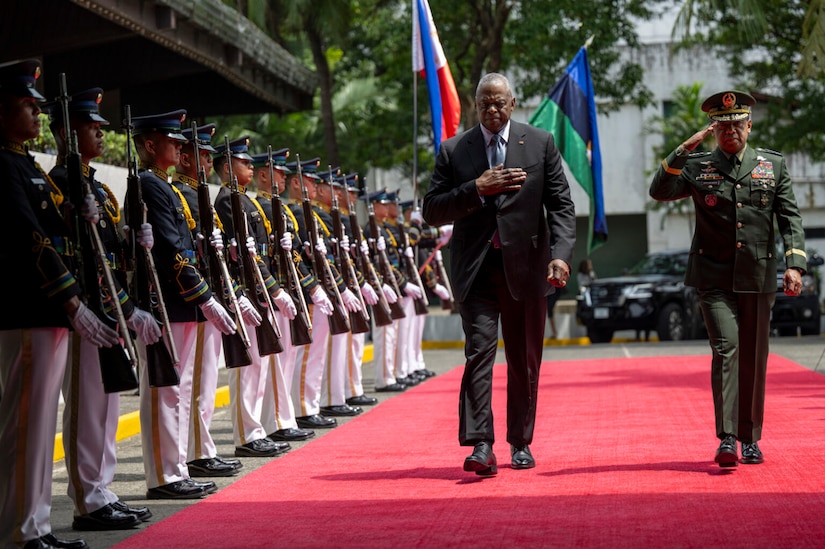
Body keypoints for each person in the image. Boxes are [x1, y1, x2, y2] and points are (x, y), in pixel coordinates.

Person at [423, 72, 575, 475]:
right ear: (476, 107)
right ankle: (481, 445)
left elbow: (561, 204)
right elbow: (432, 208)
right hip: (475, 272)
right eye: (484, 103)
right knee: (479, 355)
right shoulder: (455, 150)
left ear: (512, 104)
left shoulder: (540, 143)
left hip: (527, 271)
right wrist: (476, 188)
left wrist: (560, 256)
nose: (492, 109)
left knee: (525, 360)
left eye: (499, 102)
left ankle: (520, 442)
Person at [649, 90, 807, 468]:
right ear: (713, 129)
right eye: (722, 126)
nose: (730, 132)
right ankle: (728, 438)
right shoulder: (698, 165)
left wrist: (795, 265)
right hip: (713, 277)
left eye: (737, 124)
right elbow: (659, 191)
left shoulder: (773, 166)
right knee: (726, 350)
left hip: (758, 276)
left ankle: (751, 438)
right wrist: (686, 147)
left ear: (749, 126)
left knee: (754, 357)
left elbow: (790, 218)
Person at [0, 59, 118, 549]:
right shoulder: (4, 164)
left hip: (46, 310)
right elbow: (30, 239)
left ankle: (35, 526)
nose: (35, 112)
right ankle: (22, 530)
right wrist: (72, 301)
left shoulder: (25, 163)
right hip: (30, 307)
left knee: (39, 421)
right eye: (27, 105)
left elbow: (55, 233)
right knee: (28, 422)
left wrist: (74, 214)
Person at [48, 88, 157, 531]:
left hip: (108, 303)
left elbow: (111, 253)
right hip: (86, 309)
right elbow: (69, 251)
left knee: (107, 402)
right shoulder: (57, 182)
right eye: (89, 125)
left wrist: (134, 239)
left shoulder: (99, 188)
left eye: (98, 125)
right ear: (65, 132)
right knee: (85, 404)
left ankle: (102, 489)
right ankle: (87, 500)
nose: (98, 131)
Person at [130, 109, 236, 499]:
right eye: (171, 140)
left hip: (182, 302)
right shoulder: (149, 184)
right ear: (150, 144)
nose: (179, 146)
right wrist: (204, 297)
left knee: (180, 387)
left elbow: (187, 245)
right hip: (168, 301)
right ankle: (164, 476)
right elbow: (174, 251)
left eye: (179, 141)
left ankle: (174, 470)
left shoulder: (166, 187)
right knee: (166, 389)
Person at [173, 122, 247, 477]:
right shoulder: (181, 194)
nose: (206, 161)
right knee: (189, 382)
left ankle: (202, 450)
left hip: (211, 293)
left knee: (203, 380)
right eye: (201, 155)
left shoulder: (199, 195)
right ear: (184, 157)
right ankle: (195, 453)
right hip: (191, 297)